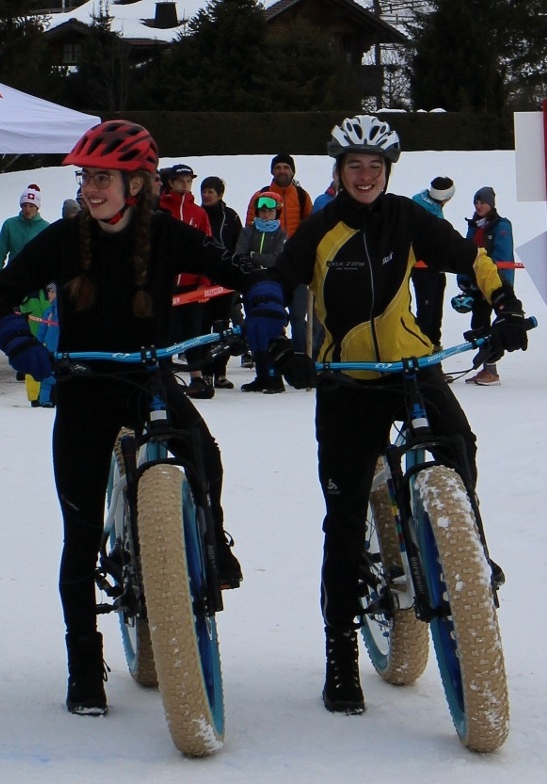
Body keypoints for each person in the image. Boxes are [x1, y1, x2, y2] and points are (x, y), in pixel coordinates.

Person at [0, 120, 267, 716]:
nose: (90, 187)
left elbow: (238, 272)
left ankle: (211, 539)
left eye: (102, 178)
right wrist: (22, 345)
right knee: (80, 537)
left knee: (204, 452)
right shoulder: (62, 238)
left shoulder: (167, 233)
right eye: (86, 176)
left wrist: (264, 302)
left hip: (147, 380)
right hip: (83, 387)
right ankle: (84, 665)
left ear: (137, 185)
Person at [248, 114, 529, 716]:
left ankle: (464, 546)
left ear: (388, 172)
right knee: (345, 519)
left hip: (410, 364)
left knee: (458, 440)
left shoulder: (406, 215)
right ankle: (340, 651)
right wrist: (277, 346)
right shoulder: (321, 226)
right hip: (347, 380)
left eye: (376, 167)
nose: (367, 175)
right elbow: (274, 283)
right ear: (339, 171)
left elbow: (469, 256)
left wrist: (503, 304)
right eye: (356, 166)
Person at [245, 153, 319, 354]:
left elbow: (310, 227)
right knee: (269, 312)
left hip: (295, 263)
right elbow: (250, 227)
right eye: (278, 167)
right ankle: (268, 353)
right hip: (267, 267)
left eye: (286, 167)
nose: (282, 171)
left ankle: (300, 354)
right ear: (272, 171)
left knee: (297, 315)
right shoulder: (261, 196)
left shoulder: (302, 196)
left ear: (293, 171)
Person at [0, 184, 50, 404]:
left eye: (31, 205)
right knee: (16, 321)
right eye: (24, 205)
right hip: (14, 282)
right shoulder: (10, 225)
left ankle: (34, 360)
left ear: (37, 207)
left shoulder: (46, 227)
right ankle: (21, 360)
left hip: (38, 284)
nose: (27, 209)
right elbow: (0, 255)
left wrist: (53, 288)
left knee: (38, 322)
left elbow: (52, 259)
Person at [161, 163, 215, 399]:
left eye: (188, 181)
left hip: (192, 285)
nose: (185, 185)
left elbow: (208, 247)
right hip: (165, 284)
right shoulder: (161, 209)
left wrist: (205, 280)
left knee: (194, 332)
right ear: (170, 183)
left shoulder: (198, 213)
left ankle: (196, 377)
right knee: (165, 331)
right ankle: (164, 376)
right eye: (180, 181)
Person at [459, 186, 515, 386]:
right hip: (477, 285)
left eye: (482, 202)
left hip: (495, 285)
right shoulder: (474, 225)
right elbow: (465, 253)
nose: (479, 205)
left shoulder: (501, 226)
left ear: (491, 204)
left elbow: (502, 257)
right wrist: (464, 281)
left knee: (497, 325)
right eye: (476, 202)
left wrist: (497, 284)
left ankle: (491, 370)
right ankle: (488, 368)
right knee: (479, 324)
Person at [234, 191, 288, 393]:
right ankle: (262, 375)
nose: (265, 215)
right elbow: (240, 255)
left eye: (270, 211)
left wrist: (254, 256)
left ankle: (275, 376)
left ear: (277, 213)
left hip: (272, 285)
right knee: (254, 330)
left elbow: (276, 259)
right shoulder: (248, 231)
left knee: (273, 329)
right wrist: (255, 258)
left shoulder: (281, 234)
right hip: (251, 285)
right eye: (262, 211)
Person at [199, 175, 243, 388]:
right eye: (204, 191)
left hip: (225, 280)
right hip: (202, 281)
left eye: (210, 192)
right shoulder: (198, 214)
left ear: (219, 194)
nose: (206, 196)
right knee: (203, 327)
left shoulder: (230, 216)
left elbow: (238, 246)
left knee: (222, 327)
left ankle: (221, 372)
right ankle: (205, 371)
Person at [410, 177, 456, 350]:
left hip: (434, 268)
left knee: (434, 315)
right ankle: (424, 357)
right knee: (428, 316)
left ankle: (432, 356)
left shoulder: (424, 203)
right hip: (425, 269)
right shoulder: (429, 212)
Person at [35, 282, 59, 407]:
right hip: (50, 349)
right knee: (47, 376)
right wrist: (37, 344)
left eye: (52, 292)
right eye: (48, 292)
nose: (49, 295)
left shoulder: (62, 311)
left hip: (62, 349)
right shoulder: (48, 311)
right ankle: (45, 400)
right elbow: (42, 330)